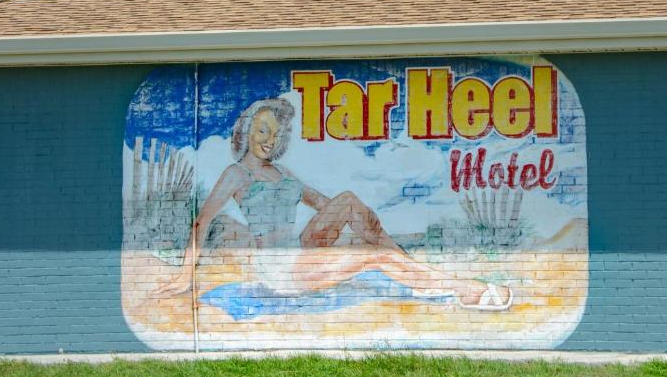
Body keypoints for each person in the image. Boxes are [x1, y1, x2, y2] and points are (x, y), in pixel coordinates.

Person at [154, 97, 513, 310]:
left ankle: (413, 270)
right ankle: (457, 286)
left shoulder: (282, 172)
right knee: (376, 256)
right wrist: (185, 275)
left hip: (301, 248)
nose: (269, 139)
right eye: (262, 130)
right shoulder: (236, 174)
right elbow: (200, 223)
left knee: (351, 203)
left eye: (275, 133)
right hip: (280, 269)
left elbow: (327, 204)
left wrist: (360, 230)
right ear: (246, 130)